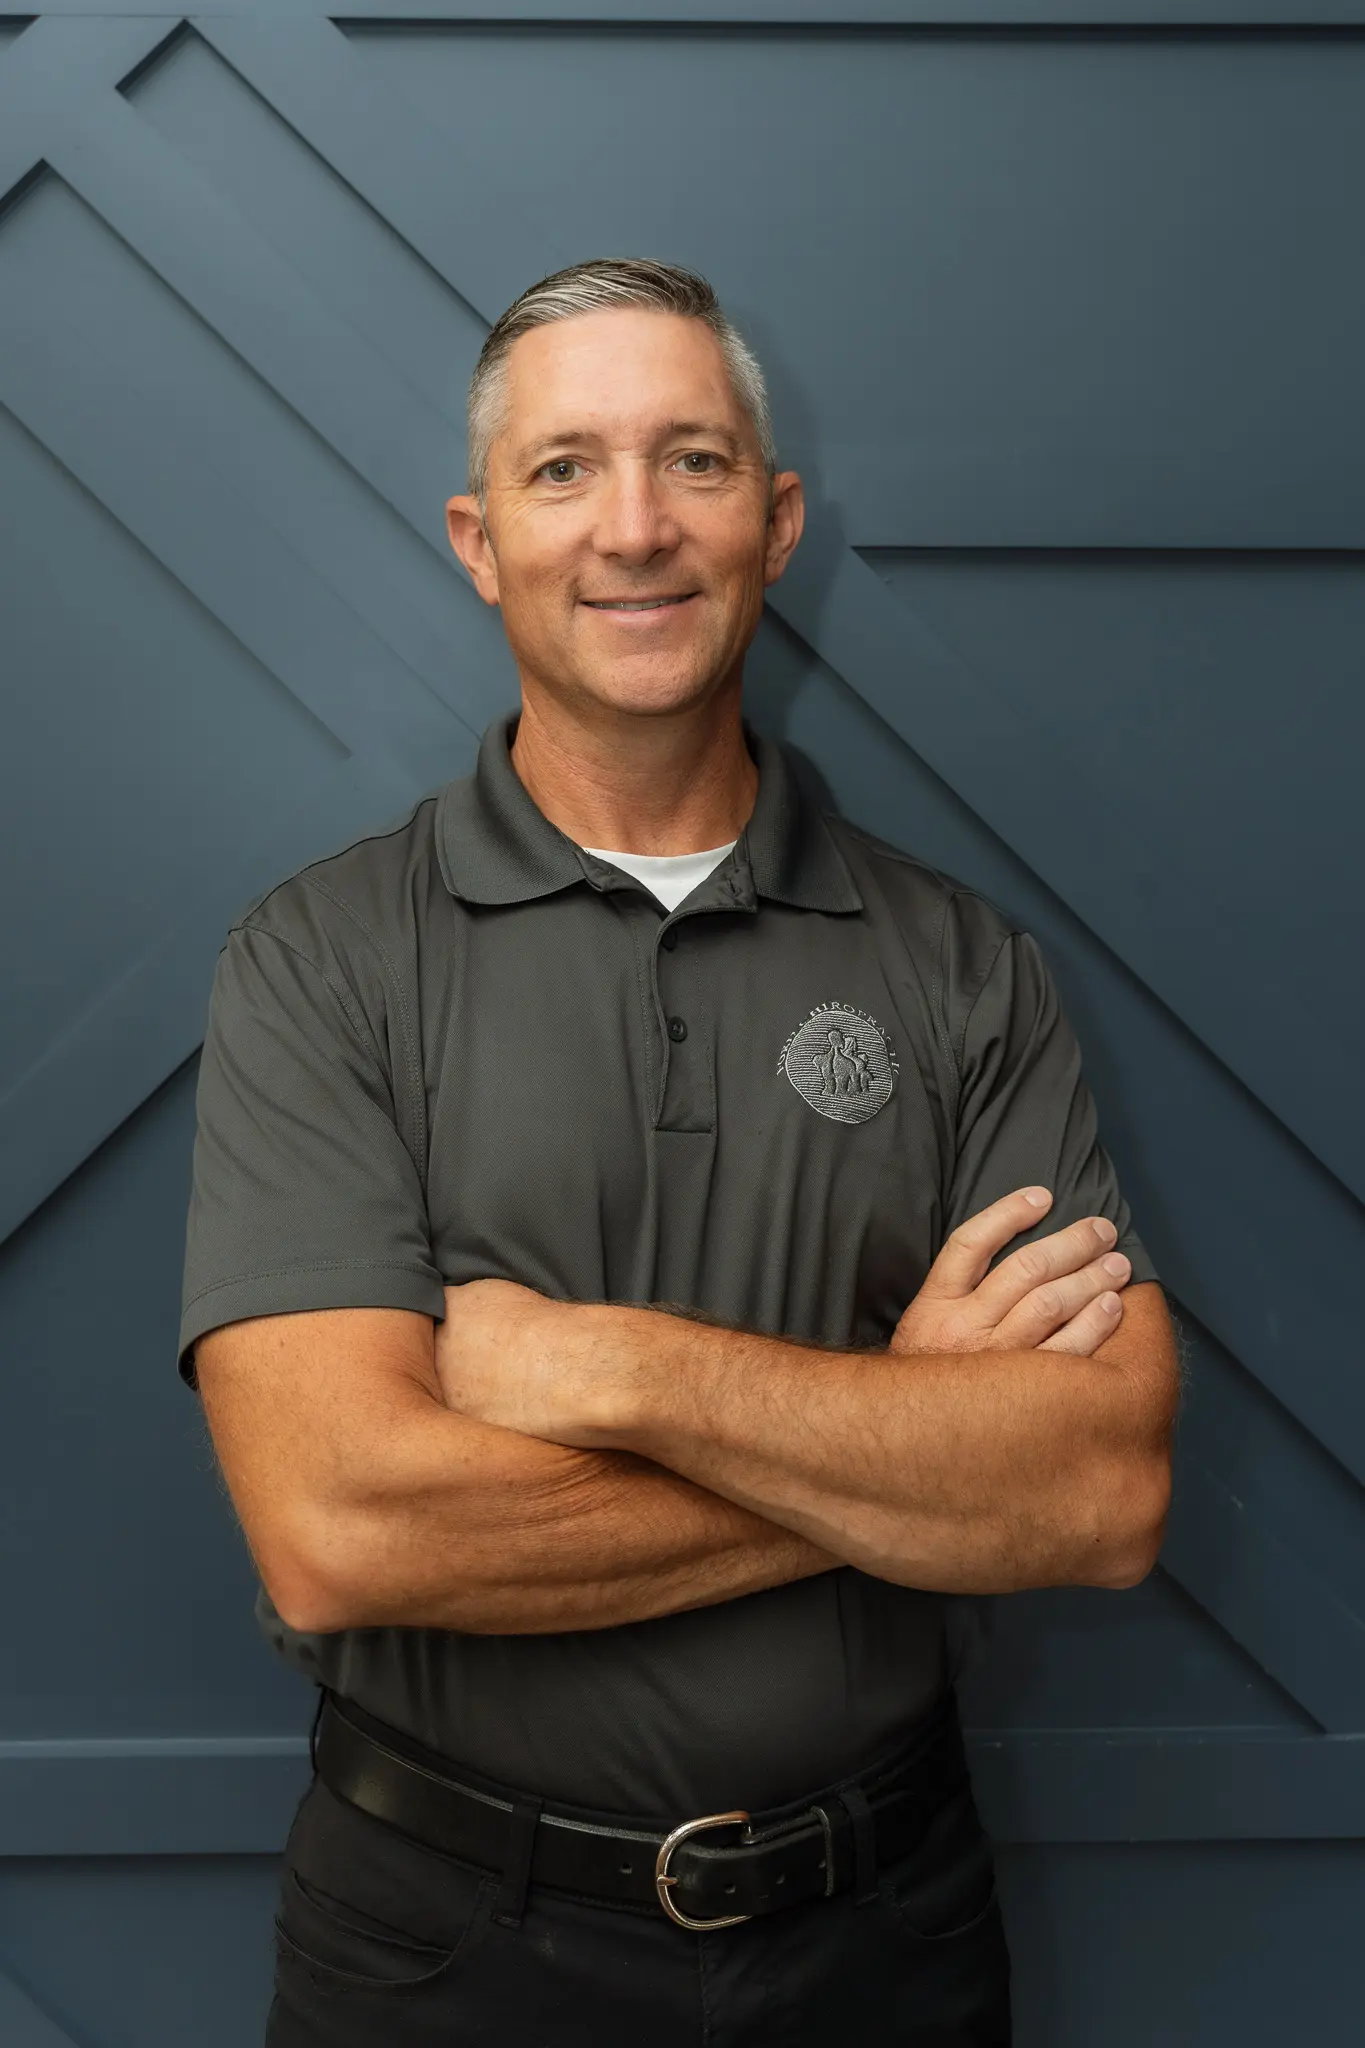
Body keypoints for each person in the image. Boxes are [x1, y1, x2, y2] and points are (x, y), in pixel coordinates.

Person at [179, 258, 1177, 2046]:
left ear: (775, 523)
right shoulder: (321, 961)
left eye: (693, 461)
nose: (635, 527)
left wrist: (610, 1369)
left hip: (884, 1936)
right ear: (482, 541)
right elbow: (340, 1529)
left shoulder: (961, 967)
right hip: (443, 1948)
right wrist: (905, 1444)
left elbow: (1100, 1496)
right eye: (566, 469)